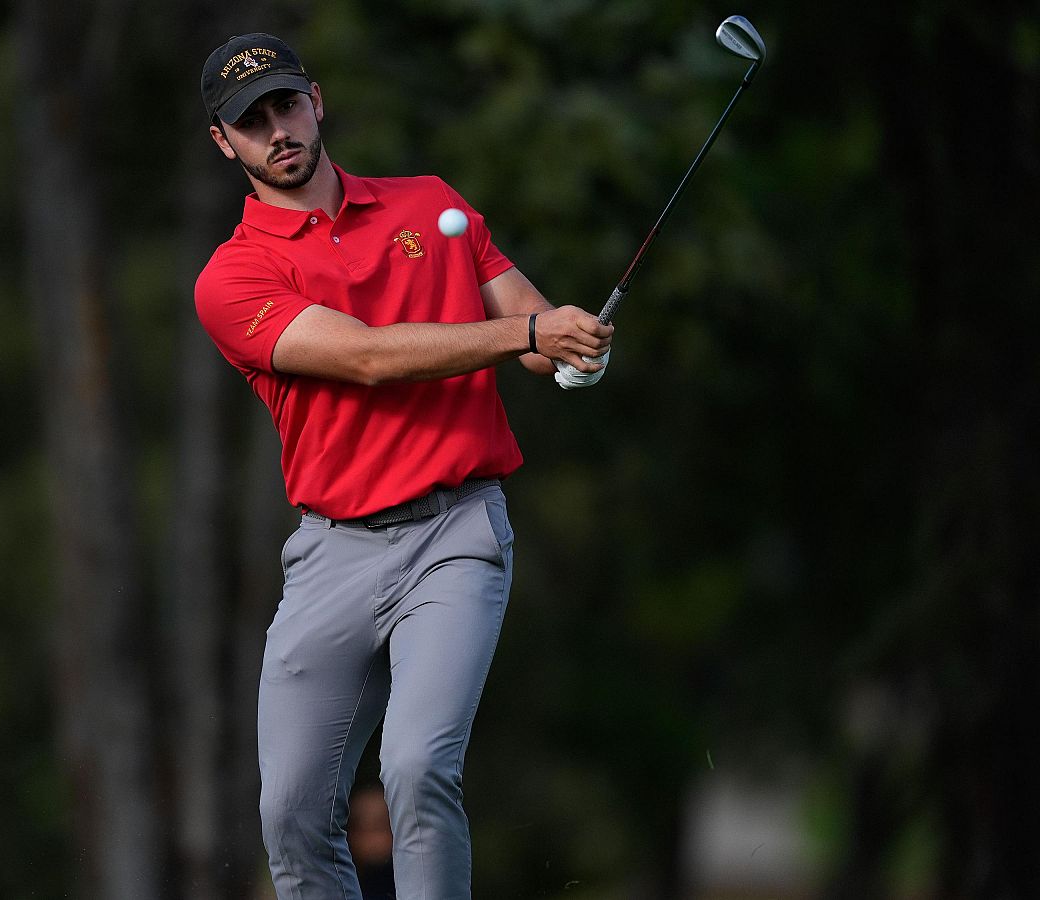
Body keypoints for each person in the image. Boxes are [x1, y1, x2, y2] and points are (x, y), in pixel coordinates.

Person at [194, 32, 613, 899]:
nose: (277, 129)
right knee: (292, 816)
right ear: (223, 143)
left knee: (420, 765)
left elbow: (532, 330)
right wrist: (526, 335)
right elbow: (368, 359)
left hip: (456, 531)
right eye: (252, 121)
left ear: (317, 100)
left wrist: (572, 348)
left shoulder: (431, 206)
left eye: (286, 105)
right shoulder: (233, 276)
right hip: (332, 554)